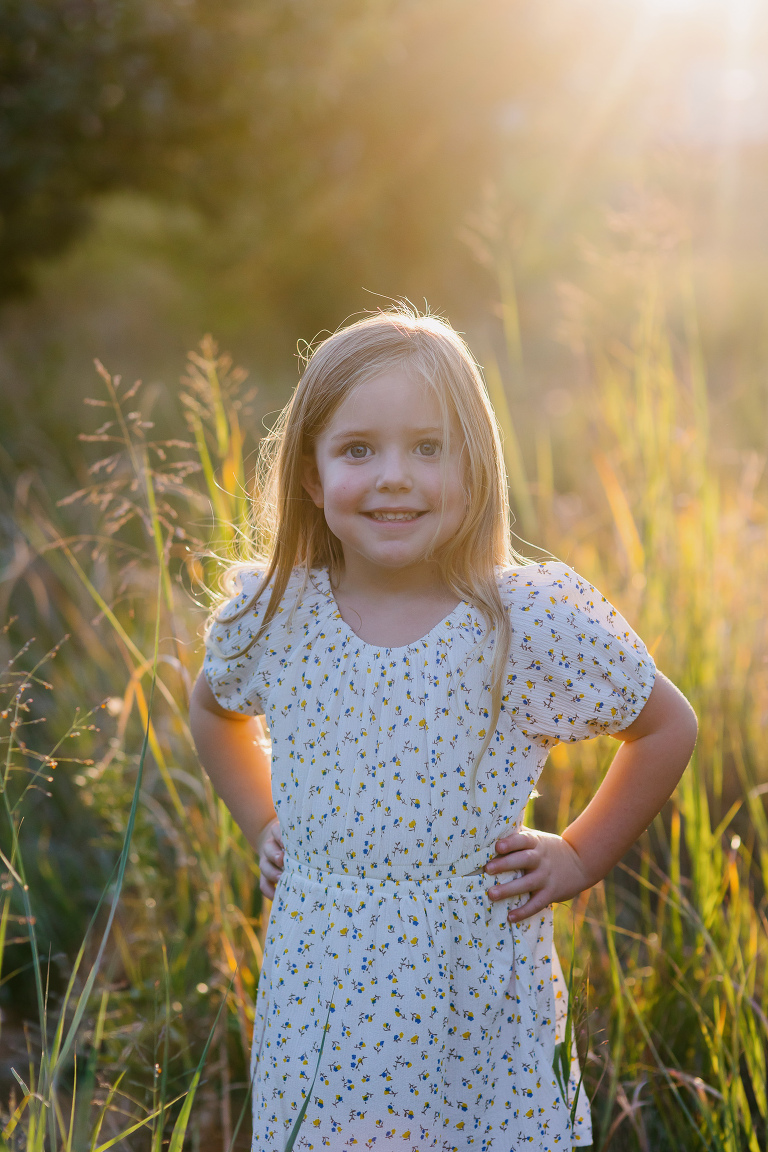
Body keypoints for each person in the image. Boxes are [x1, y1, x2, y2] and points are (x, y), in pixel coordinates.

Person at [189, 309, 697, 1151]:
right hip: (324, 985)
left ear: (475, 468)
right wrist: (264, 822)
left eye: (428, 448)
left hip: (473, 983)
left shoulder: (518, 621)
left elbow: (664, 725)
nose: (395, 476)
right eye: (359, 450)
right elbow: (214, 709)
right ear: (312, 476)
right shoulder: (279, 613)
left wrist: (579, 854)